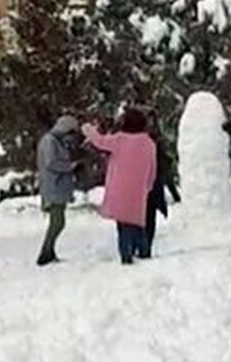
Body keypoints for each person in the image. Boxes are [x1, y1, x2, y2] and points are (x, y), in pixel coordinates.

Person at [82, 108, 158, 265]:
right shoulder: (149, 143)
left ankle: (126, 257)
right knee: (138, 223)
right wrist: (148, 186)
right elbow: (153, 168)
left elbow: (100, 141)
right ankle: (144, 253)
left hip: (119, 190)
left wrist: (88, 130)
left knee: (123, 225)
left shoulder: (119, 140)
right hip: (139, 191)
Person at [35, 115, 79, 266]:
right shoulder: (50, 141)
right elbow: (51, 162)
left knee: (58, 222)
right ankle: (46, 251)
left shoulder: (57, 141)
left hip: (58, 187)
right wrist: (69, 166)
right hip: (53, 186)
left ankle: (49, 251)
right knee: (57, 222)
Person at [144, 112, 182, 258]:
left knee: (148, 214)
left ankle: (144, 245)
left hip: (152, 180)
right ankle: (144, 246)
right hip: (150, 181)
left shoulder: (155, 139)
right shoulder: (150, 139)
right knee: (147, 215)